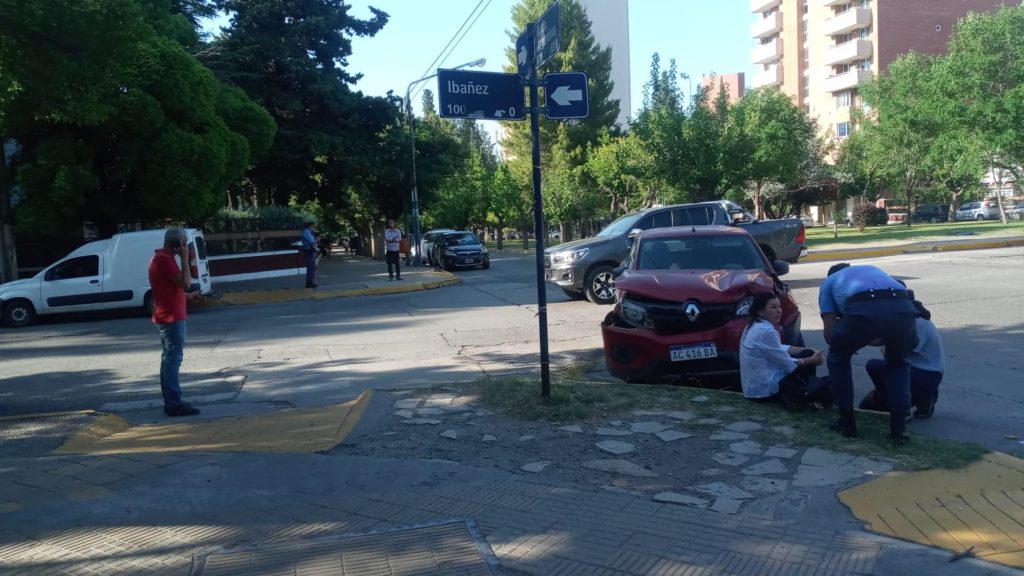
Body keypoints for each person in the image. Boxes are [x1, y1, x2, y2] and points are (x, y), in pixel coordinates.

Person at [819, 263, 919, 444]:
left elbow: (830, 336)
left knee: (837, 358)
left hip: (864, 307)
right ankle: (899, 430)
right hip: (903, 306)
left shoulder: (828, 284)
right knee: (897, 363)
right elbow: (885, 311)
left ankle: (846, 423)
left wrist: (853, 337)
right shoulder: (871, 269)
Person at [860, 289, 943, 419]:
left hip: (925, 373)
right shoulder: (905, 319)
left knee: (874, 366)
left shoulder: (919, 323)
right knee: (865, 406)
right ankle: (892, 398)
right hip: (912, 368)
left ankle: (919, 399)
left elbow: (894, 351)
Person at [739, 292, 830, 410]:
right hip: (764, 392)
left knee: (807, 353)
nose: (779, 311)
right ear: (760, 311)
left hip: (753, 389)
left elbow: (779, 348)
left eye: (779, 306)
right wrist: (813, 360)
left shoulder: (755, 326)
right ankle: (805, 396)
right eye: (773, 307)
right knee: (808, 358)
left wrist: (808, 349)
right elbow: (787, 363)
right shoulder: (765, 331)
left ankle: (805, 393)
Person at [148, 229, 203, 417]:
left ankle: (171, 401)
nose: (186, 246)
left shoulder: (161, 258)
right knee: (173, 360)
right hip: (172, 318)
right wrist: (185, 258)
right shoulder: (164, 260)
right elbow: (185, 282)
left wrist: (188, 296)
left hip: (168, 315)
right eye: (184, 242)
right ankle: (173, 403)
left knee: (168, 359)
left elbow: (172, 288)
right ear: (177, 244)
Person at [300, 222, 318, 288]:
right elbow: (312, 242)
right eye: (313, 227)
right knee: (311, 267)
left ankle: (310, 282)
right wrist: (318, 239)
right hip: (309, 251)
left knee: (312, 267)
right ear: (310, 226)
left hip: (310, 251)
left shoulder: (306, 232)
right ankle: (309, 282)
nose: (314, 228)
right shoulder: (306, 232)